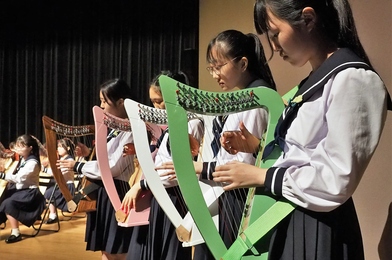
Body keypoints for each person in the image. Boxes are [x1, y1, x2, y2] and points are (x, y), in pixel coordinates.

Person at [212, 1, 392, 259]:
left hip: (317, 224)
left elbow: (335, 180)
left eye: (275, 34)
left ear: (308, 19)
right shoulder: (312, 83)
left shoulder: (353, 78)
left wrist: (262, 176)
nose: (274, 47)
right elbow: (302, 152)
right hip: (291, 213)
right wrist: (255, 146)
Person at [157, 29, 277, 259]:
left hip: (237, 199)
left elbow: (240, 167)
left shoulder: (255, 99)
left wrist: (197, 167)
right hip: (228, 196)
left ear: (243, 64)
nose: (214, 74)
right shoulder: (244, 97)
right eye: (210, 68)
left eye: (218, 66)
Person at [122, 71, 204, 260]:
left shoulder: (192, 124)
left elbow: (176, 170)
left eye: (160, 101)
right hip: (161, 194)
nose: (156, 106)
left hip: (176, 198)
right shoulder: (171, 125)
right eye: (153, 102)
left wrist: (141, 185)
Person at [58, 78, 135, 260]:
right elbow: (107, 160)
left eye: (104, 101)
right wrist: (90, 153)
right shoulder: (116, 129)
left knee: (117, 250)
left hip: (117, 192)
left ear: (120, 102)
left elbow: (114, 167)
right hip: (104, 192)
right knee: (106, 249)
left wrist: (78, 165)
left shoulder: (132, 129)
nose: (101, 106)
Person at [0, 134, 46, 243]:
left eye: (22, 146)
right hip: (22, 191)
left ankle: (16, 232)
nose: (18, 149)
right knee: (4, 197)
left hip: (30, 194)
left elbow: (18, 178)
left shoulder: (33, 163)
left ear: (30, 148)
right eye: (18, 146)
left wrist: (2, 175)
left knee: (7, 203)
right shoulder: (23, 159)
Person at [44, 138, 76, 224]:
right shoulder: (61, 159)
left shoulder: (69, 160)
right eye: (58, 147)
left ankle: (53, 215)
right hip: (60, 185)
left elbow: (58, 173)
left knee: (49, 192)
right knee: (49, 189)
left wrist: (44, 169)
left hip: (67, 187)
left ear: (68, 148)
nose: (58, 149)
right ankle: (52, 214)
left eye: (61, 147)